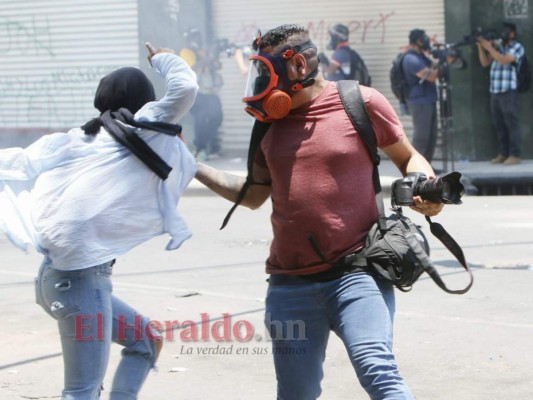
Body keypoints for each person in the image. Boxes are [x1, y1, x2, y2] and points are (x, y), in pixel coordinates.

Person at [195, 24, 444, 400]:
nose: (259, 86)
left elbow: (409, 158)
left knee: (378, 370)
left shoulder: (361, 102)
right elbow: (253, 195)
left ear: (296, 67)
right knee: (296, 393)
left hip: (357, 274)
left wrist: (426, 186)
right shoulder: (267, 127)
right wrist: (191, 166)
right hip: (288, 285)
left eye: (266, 73)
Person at [0, 42, 198, 399]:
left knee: (146, 339)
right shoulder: (144, 127)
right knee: (82, 391)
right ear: (146, 101)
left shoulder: (75, 139)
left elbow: (16, 162)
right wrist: (162, 58)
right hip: (79, 284)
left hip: (57, 280)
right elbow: (186, 88)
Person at [477, 22, 524, 165]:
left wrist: (489, 47)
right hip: (495, 91)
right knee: (499, 125)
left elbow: (504, 60)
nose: (504, 33)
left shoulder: (517, 47)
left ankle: (515, 155)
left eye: (507, 31)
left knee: (511, 124)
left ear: (513, 34)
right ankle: (503, 153)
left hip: (508, 91)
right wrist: (481, 46)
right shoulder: (497, 47)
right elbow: (485, 63)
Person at [182, 28, 224, 160]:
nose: (197, 40)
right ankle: (200, 148)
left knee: (217, 117)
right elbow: (192, 67)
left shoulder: (203, 52)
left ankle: (207, 145)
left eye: (198, 37)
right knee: (200, 120)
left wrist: (214, 58)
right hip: (196, 92)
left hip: (210, 91)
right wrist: (207, 59)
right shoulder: (186, 52)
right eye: (194, 37)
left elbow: (216, 66)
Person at [402, 28, 440, 165]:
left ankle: (426, 167)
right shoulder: (411, 58)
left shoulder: (421, 56)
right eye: (423, 39)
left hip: (429, 100)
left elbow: (433, 67)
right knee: (421, 137)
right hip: (419, 102)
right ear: (418, 41)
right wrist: (442, 62)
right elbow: (431, 76)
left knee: (431, 137)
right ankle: (412, 168)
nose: (426, 42)